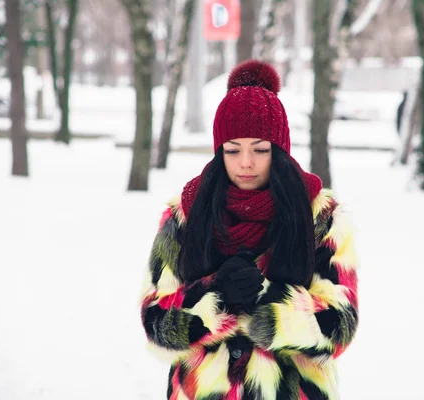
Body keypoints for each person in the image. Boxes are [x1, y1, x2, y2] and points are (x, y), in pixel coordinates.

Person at [140, 60, 359, 400]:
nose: (245, 162)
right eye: (232, 149)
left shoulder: (320, 216)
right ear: (218, 151)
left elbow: (341, 325)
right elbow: (155, 318)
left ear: (280, 150)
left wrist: (267, 300)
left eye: (260, 149)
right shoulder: (186, 215)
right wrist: (217, 297)